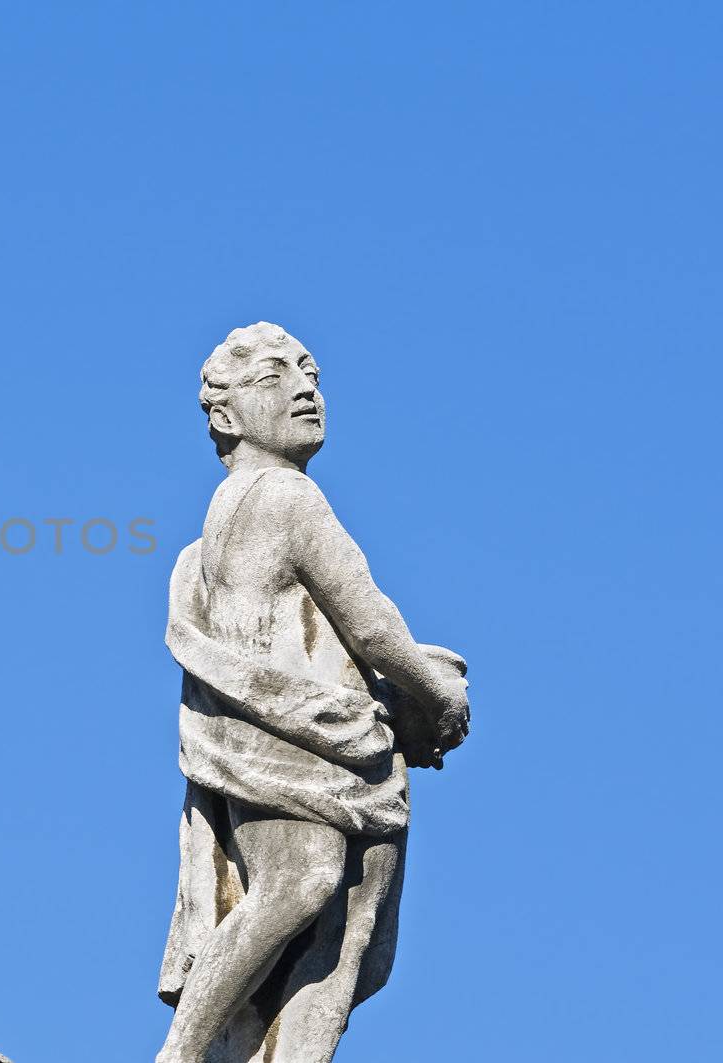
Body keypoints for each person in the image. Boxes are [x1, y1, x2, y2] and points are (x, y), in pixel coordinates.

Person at [156, 322, 470, 1063]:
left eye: (312, 375)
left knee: (347, 935)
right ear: (226, 417)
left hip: (335, 748)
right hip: (297, 743)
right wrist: (438, 693)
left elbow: (321, 630)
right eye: (275, 378)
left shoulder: (208, 537)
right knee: (301, 883)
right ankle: (183, 1051)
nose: (305, 389)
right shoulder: (284, 495)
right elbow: (369, 620)